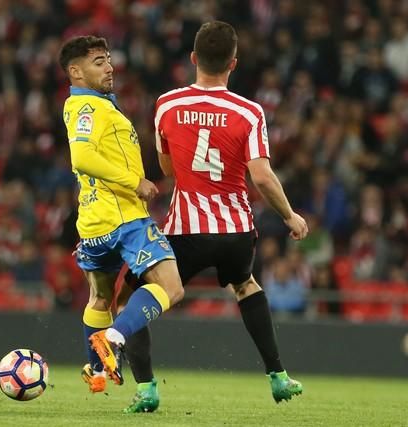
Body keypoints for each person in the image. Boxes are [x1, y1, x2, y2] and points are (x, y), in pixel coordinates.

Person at [118, 21, 309, 413]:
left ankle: (147, 388)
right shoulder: (249, 111)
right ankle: (277, 376)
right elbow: (261, 175)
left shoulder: (167, 104)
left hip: (185, 229)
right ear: (233, 63)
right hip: (236, 230)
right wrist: (290, 215)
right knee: (246, 285)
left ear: (193, 59)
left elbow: (168, 169)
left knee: (133, 297)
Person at [58, 36, 184, 391]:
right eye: (99, 61)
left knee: (100, 297)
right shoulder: (88, 109)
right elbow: (81, 157)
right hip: (122, 217)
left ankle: (98, 373)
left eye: (109, 59)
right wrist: (135, 182)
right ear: (75, 71)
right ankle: (113, 337)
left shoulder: (96, 106)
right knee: (171, 289)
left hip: (94, 223)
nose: (110, 67)